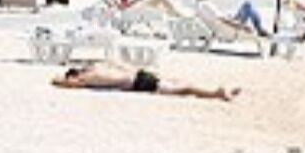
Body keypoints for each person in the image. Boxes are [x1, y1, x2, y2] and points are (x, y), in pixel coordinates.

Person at [54, 63, 237, 101]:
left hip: (137, 83)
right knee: (179, 84)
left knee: (183, 89)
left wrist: (60, 80)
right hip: (139, 74)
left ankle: (217, 93)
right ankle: (219, 90)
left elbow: (61, 82)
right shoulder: (96, 66)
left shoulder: (87, 78)